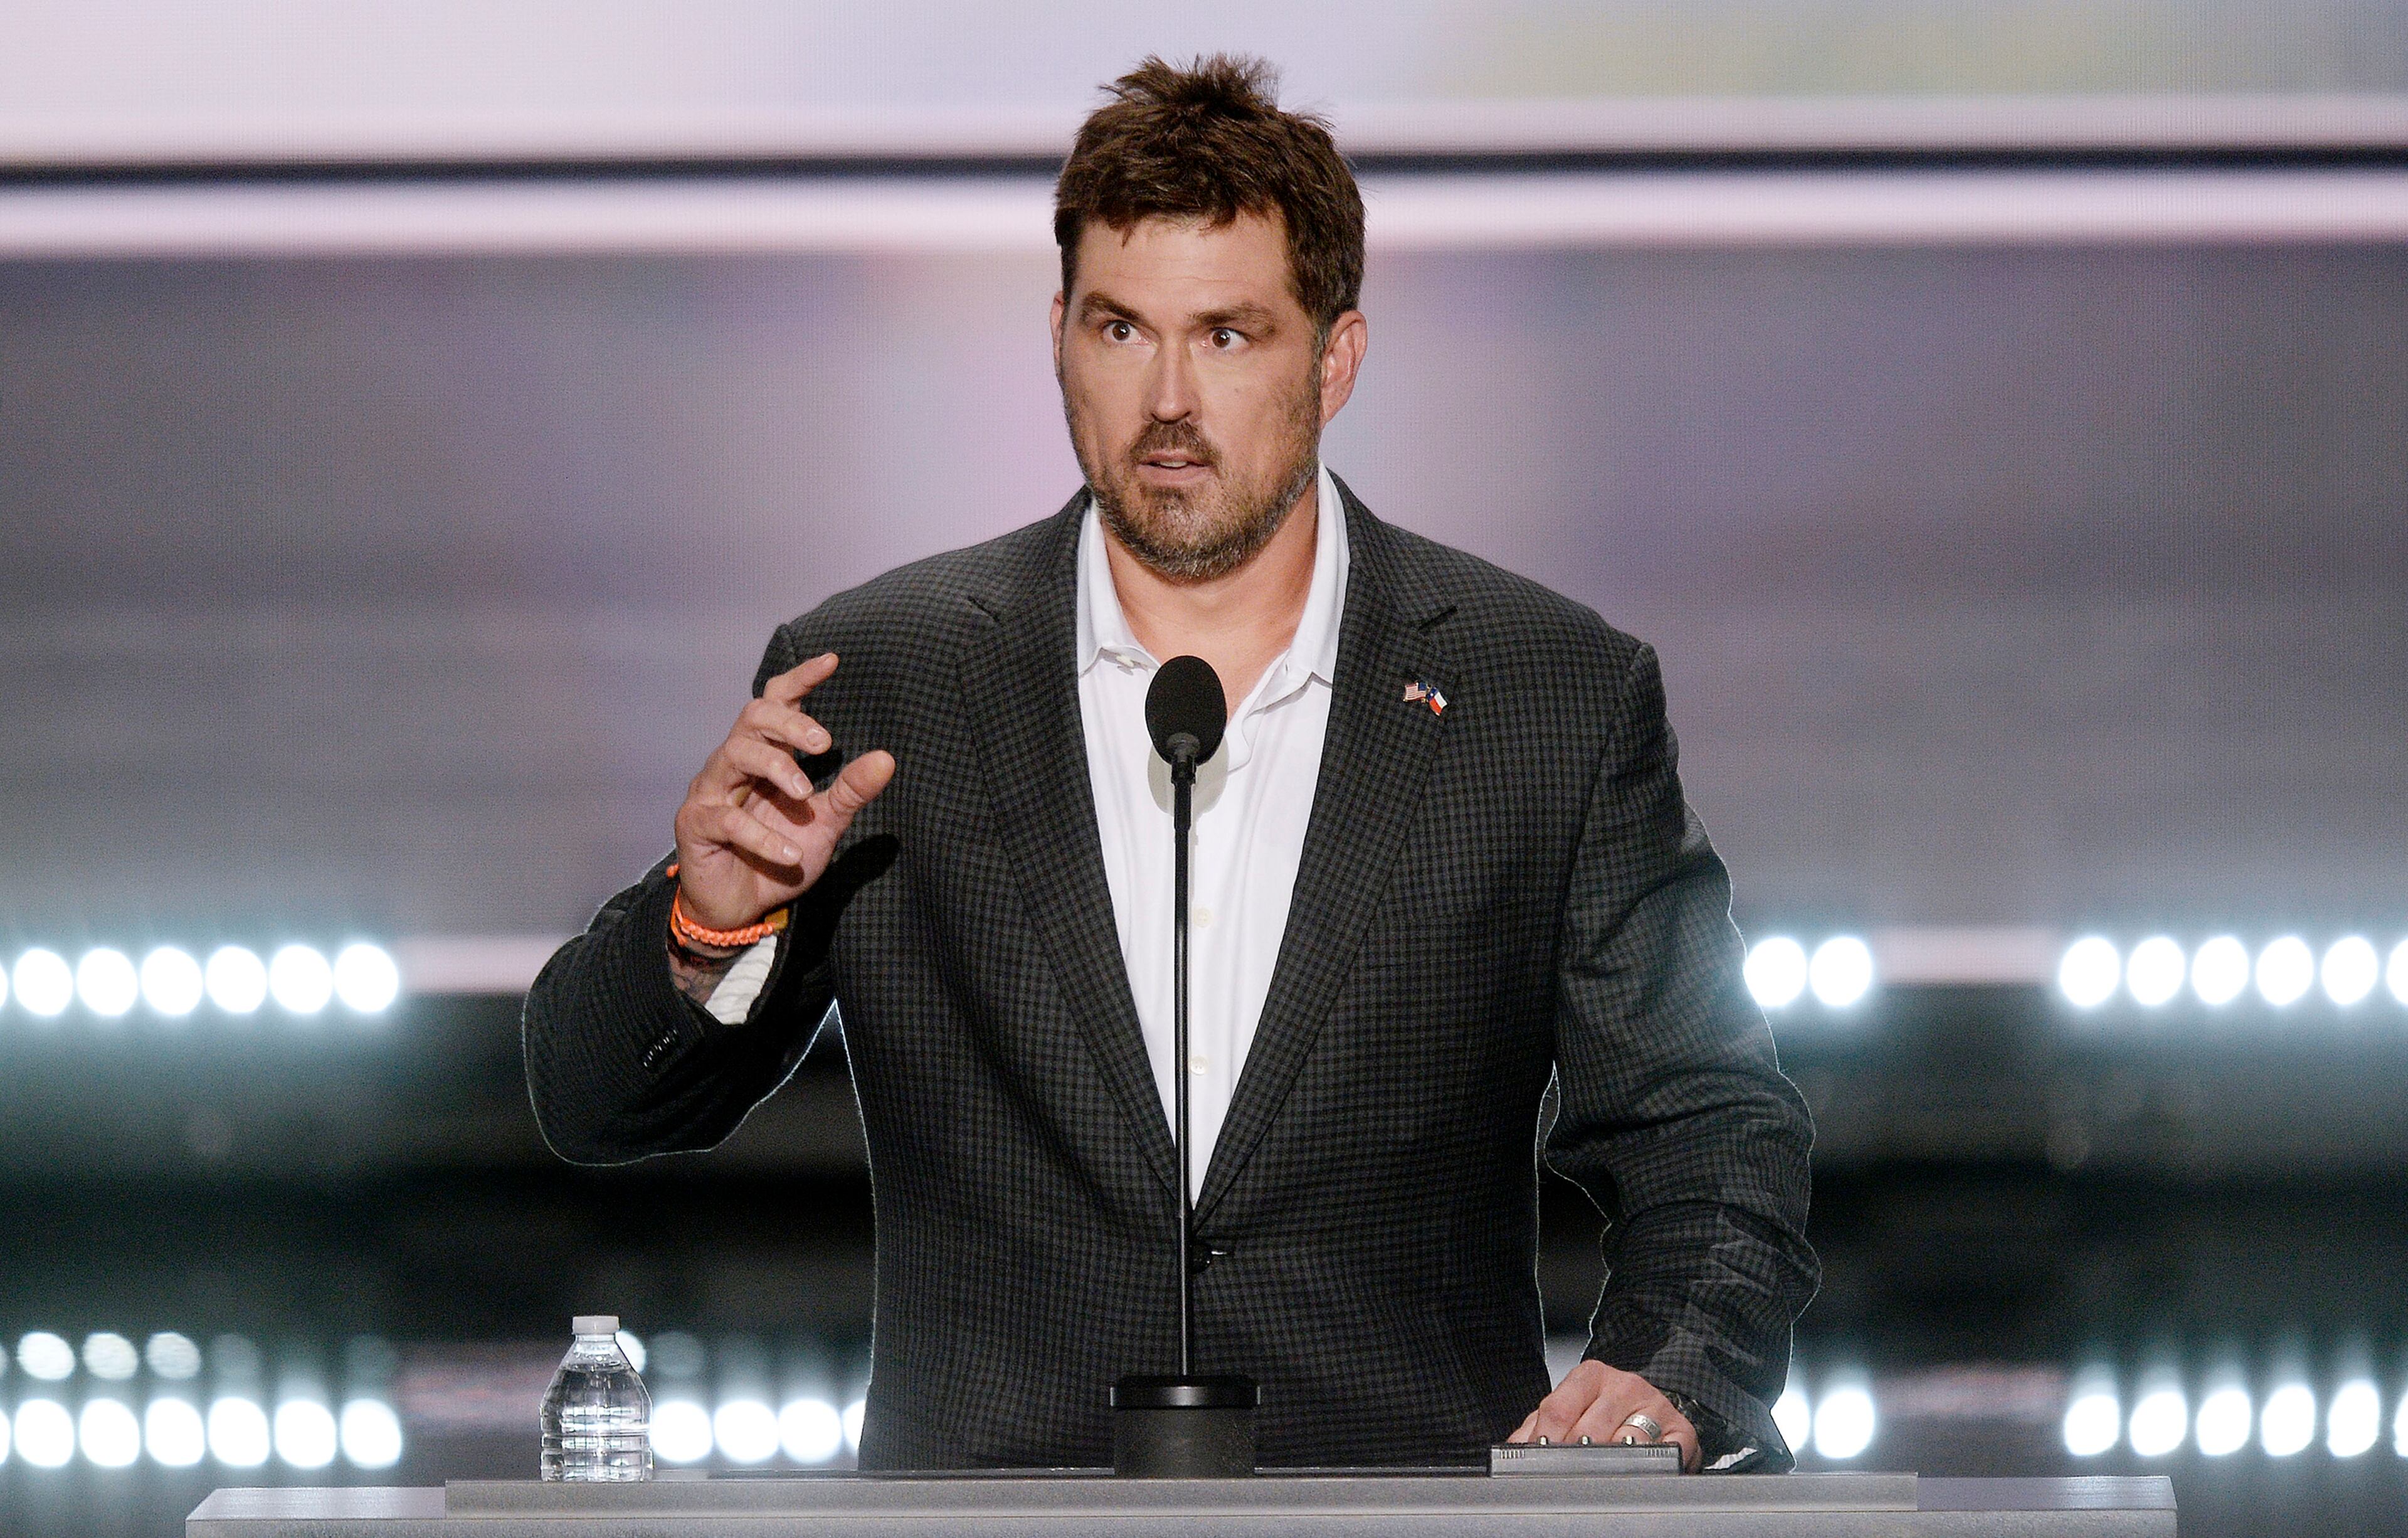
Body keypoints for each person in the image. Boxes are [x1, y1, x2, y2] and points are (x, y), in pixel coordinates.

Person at [524, 54, 1816, 1474]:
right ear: (1060, 338)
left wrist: (1668, 1371)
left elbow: (1705, 1121)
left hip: (1405, 1518)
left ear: (1336, 358)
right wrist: (706, 928)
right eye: (1121, 329)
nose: (1167, 402)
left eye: (1229, 335)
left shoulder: (1546, 694)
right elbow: (594, 1101)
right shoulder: (882, 680)